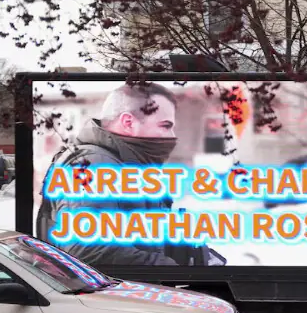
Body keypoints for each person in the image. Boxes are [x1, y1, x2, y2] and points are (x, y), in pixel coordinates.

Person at [36, 82, 226, 267]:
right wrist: (172, 270)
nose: (171, 136)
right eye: (165, 126)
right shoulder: (93, 165)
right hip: (111, 298)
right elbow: (87, 251)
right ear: (128, 122)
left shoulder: (124, 164)